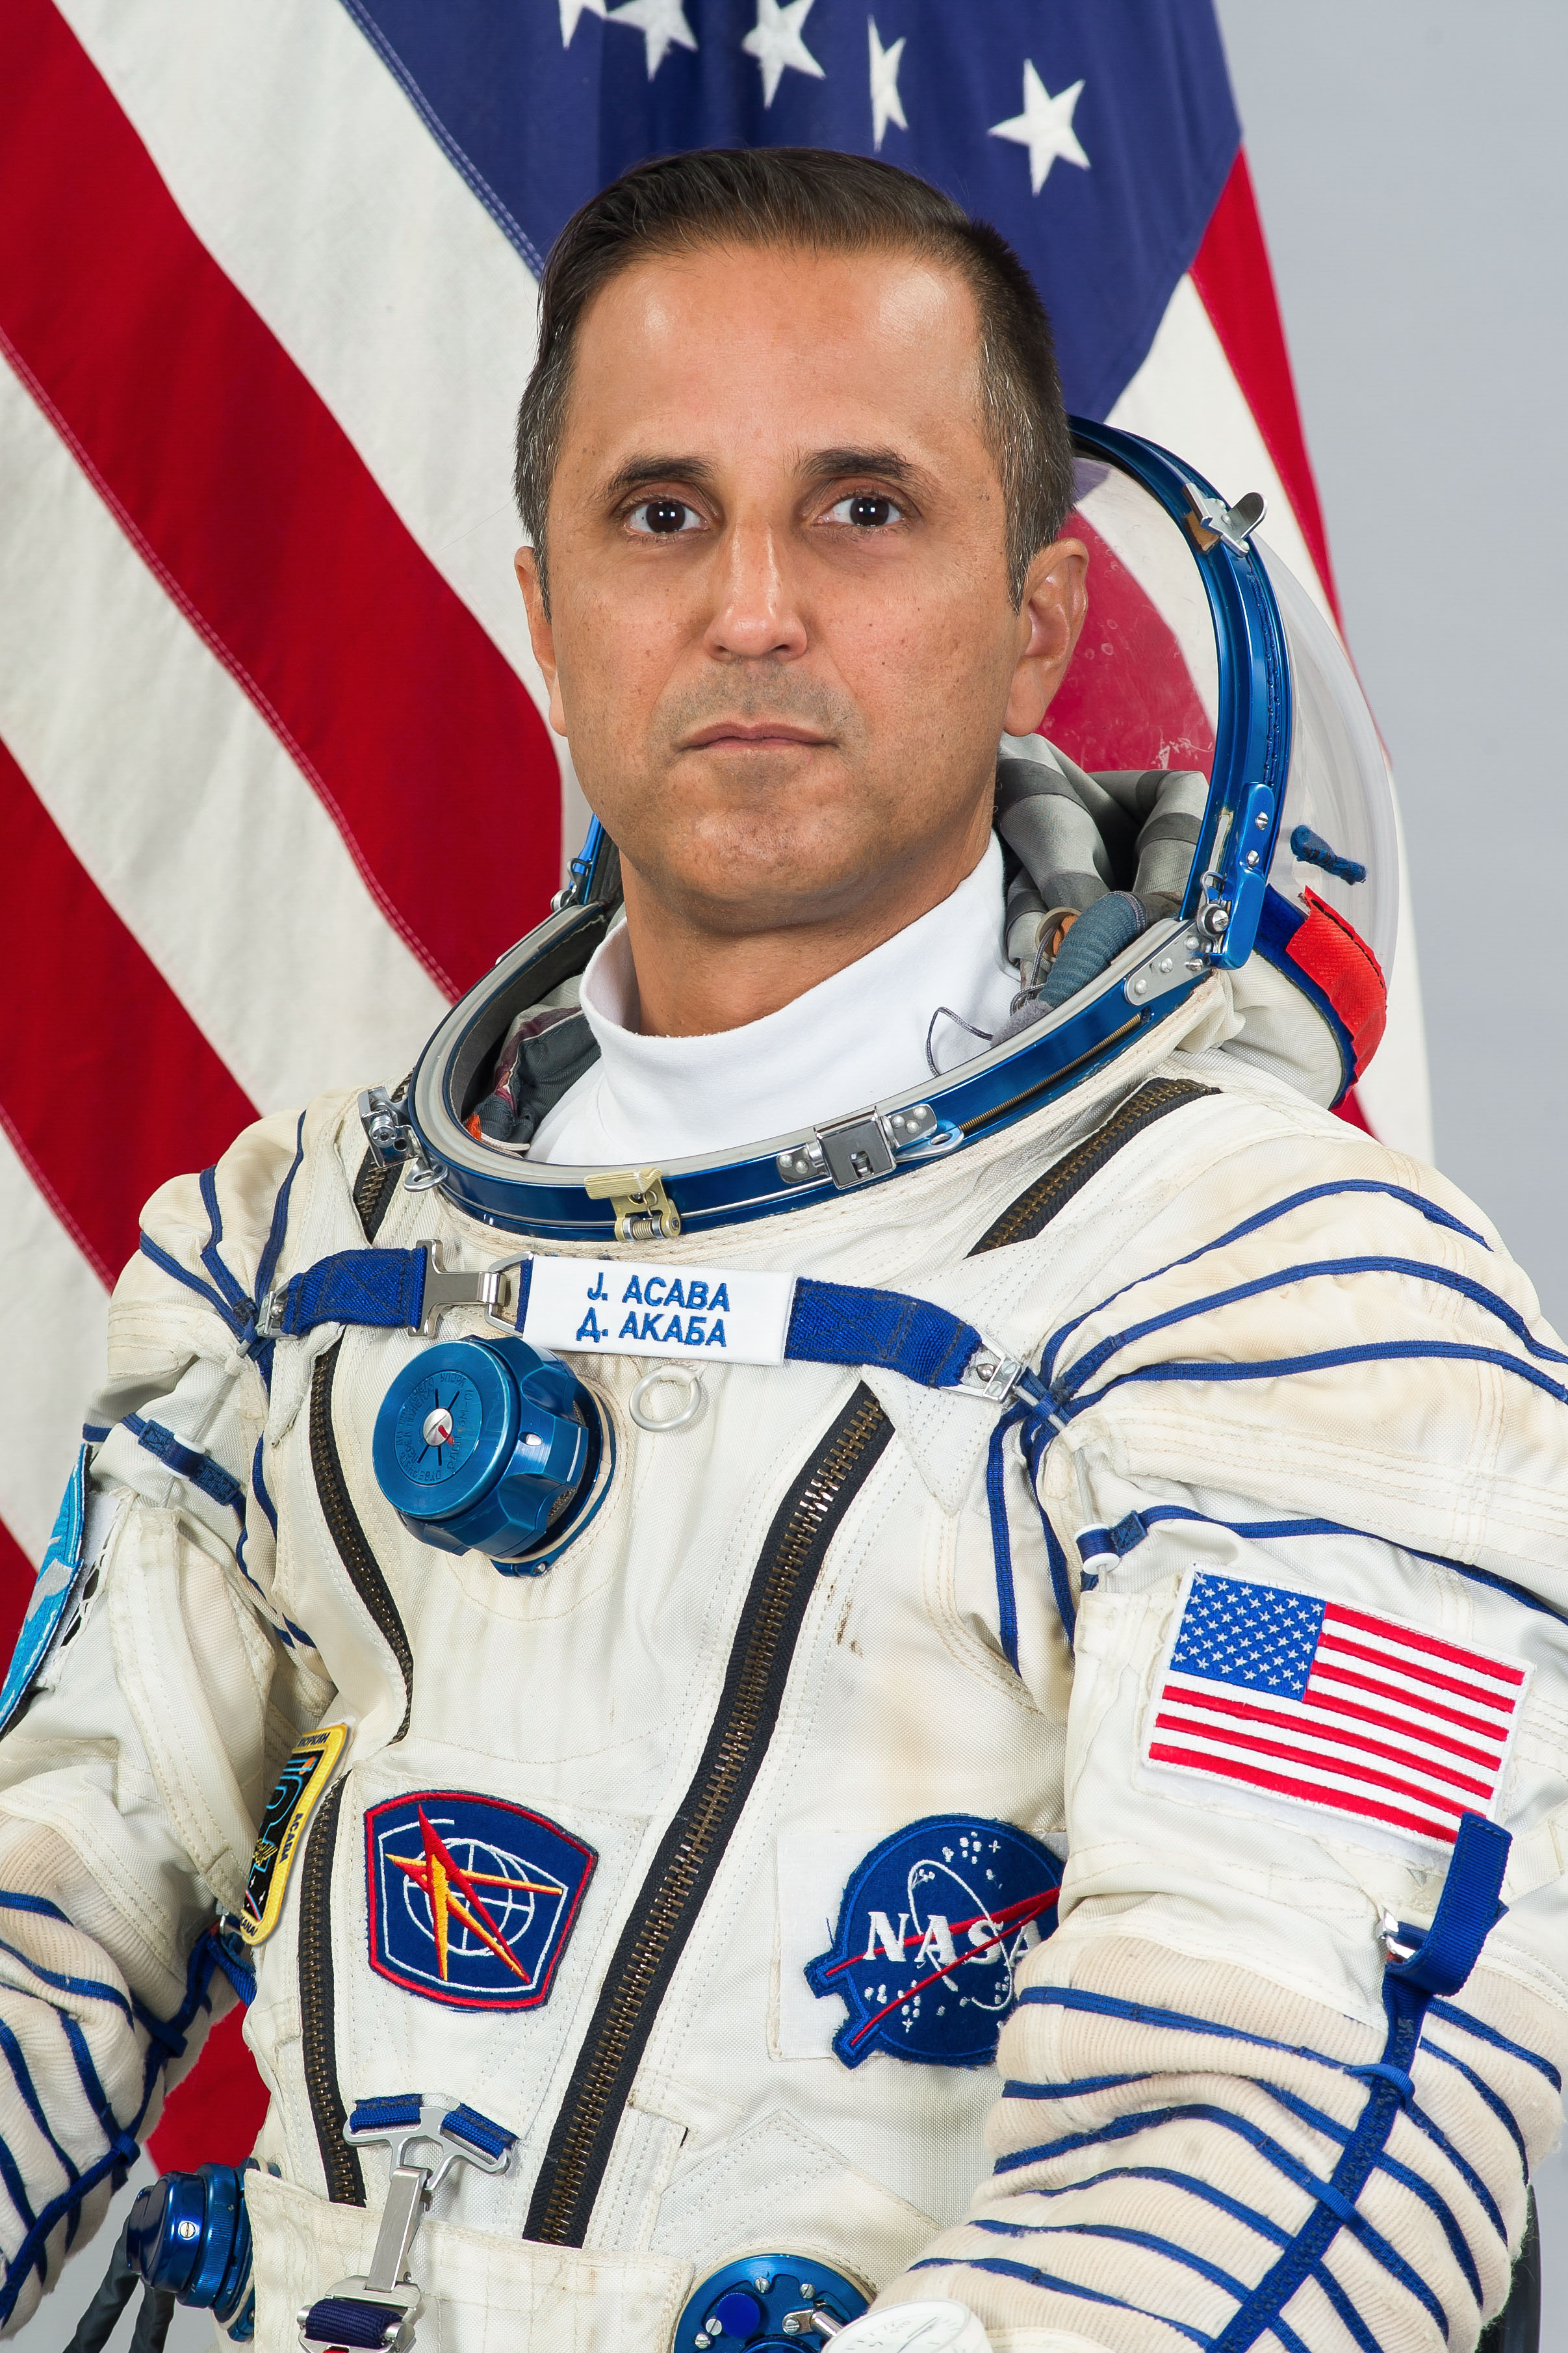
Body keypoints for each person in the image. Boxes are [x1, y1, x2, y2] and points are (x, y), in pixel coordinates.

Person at [0, 147, 1562, 2353]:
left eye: (864, 509)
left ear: (1036, 618)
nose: (753, 609)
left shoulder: (1290, 1304)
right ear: (546, 614)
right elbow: (48, 1918)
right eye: (663, 513)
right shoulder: (310, 1250)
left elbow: (1257, 2161)